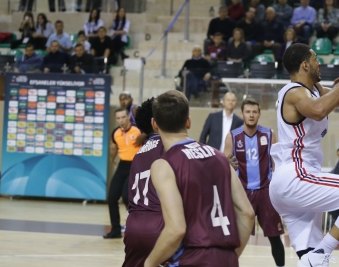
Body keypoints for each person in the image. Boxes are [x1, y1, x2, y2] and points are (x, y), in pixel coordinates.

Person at [269, 43, 339, 267]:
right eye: (315, 59)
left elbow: (337, 99)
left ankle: (317, 254)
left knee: (311, 261)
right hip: (296, 176)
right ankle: (324, 250)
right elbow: (319, 110)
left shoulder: (314, 90)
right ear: (304, 65)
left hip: (294, 183)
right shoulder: (294, 93)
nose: (319, 62)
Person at [143, 91, 254, 267]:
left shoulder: (163, 165)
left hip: (192, 258)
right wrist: (231, 256)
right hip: (227, 259)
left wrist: (149, 263)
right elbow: (247, 214)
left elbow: (176, 229)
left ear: (154, 124)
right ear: (188, 121)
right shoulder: (220, 158)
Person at [222, 98, 286, 267]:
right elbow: (225, 164)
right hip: (242, 192)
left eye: (254, 112)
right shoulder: (232, 137)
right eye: (248, 112)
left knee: (275, 237)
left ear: (259, 114)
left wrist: (277, 185)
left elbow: (277, 162)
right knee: (235, 237)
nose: (251, 115)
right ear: (242, 114)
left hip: (266, 191)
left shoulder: (269, 134)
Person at [123, 98, 164, 266]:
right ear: (156, 122)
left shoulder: (139, 155)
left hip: (133, 225)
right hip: (158, 222)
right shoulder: (168, 147)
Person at [103, 107, 141, 239]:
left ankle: (135, 227)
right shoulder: (116, 133)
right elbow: (113, 147)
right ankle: (115, 230)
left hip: (135, 165)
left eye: (123, 117)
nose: (121, 120)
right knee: (112, 197)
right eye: (118, 118)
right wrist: (112, 159)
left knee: (126, 196)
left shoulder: (138, 131)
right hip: (122, 165)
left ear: (129, 117)